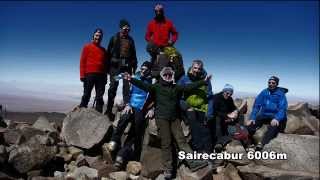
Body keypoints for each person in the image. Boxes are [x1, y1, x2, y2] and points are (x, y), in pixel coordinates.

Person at [123, 67, 210, 179]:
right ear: (162, 76)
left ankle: (193, 163)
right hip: (162, 118)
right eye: (166, 75)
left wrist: (204, 81)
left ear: (172, 76)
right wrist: (130, 79)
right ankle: (168, 169)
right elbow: (144, 86)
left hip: (174, 119)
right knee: (166, 142)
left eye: (170, 75)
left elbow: (189, 87)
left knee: (181, 141)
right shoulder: (156, 87)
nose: (168, 76)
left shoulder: (176, 87)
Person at [106, 61, 154, 169]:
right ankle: (114, 140)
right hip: (131, 104)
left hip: (142, 108)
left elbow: (155, 96)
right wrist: (127, 103)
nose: (143, 71)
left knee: (136, 131)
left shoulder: (151, 81)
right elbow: (120, 83)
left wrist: (152, 109)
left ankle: (121, 155)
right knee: (124, 117)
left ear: (149, 71)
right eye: (142, 69)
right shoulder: (133, 77)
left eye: (146, 70)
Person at [178, 60, 214, 154]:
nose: (197, 70)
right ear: (191, 67)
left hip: (202, 107)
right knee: (195, 128)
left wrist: (209, 112)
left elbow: (210, 96)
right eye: (195, 68)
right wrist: (184, 106)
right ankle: (199, 151)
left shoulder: (206, 80)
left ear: (202, 69)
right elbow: (177, 93)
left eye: (199, 68)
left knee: (206, 130)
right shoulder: (184, 79)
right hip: (189, 108)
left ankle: (208, 153)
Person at [105, 19, 138, 121]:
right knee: (113, 86)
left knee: (126, 86)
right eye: (125, 28)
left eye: (128, 29)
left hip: (126, 67)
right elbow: (108, 54)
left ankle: (127, 105)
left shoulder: (131, 40)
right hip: (115, 68)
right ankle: (109, 109)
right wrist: (108, 67)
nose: (127, 30)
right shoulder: (114, 38)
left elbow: (133, 54)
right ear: (120, 28)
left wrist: (134, 66)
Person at [246, 76, 288, 151]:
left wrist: (277, 118)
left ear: (276, 84)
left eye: (273, 83)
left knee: (273, 127)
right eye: (269, 82)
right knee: (251, 124)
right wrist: (252, 117)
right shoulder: (264, 92)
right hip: (264, 115)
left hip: (275, 116)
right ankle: (248, 141)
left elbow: (282, 108)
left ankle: (262, 143)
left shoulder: (280, 94)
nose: (270, 84)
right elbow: (256, 105)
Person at [79, 28, 108, 113]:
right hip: (89, 74)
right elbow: (82, 61)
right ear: (93, 36)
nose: (98, 37)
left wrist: (105, 77)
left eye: (100, 36)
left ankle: (98, 113)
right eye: (96, 35)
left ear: (102, 38)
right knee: (86, 94)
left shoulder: (103, 50)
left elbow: (105, 65)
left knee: (99, 96)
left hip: (101, 75)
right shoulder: (87, 47)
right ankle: (81, 110)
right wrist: (82, 75)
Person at [212, 84, 241, 152]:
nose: (228, 95)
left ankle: (237, 133)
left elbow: (233, 107)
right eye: (227, 93)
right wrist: (227, 115)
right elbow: (214, 111)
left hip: (227, 116)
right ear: (223, 91)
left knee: (240, 115)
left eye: (230, 94)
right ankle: (219, 143)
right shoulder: (216, 97)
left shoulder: (229, 99)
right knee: (218, 120)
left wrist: (235, 112)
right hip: (218, 116)